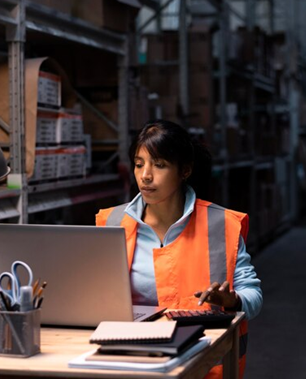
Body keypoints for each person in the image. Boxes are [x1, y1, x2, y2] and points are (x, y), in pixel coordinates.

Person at [96, 120, 263, 378]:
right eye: (139, 164)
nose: (145, 175)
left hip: (204, 364)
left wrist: (233, 301)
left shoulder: (221, 225)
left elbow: (253, 295)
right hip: (129, 360)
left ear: (184, 170)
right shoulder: (112, 223)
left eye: (159, 165)